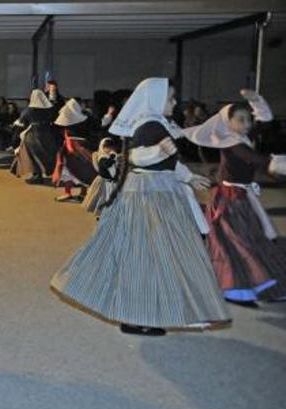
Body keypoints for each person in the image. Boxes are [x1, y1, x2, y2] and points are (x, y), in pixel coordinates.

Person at [51, 77, 230, 336]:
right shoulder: (148, 125)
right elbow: (137, 157)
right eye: (170, 98)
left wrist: (187, 175)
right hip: (148, 196)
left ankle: (141, 313)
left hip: (158, 191)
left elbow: (167, 160)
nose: (174, 102)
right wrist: (159, 152)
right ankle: (138, 315)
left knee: (153, 255)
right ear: (154, 100)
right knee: (146, 255)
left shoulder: (157, 124)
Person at [184, 90, 286, 306]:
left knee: (246, 242)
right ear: (227, 123)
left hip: (240, 197)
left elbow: (264, 122)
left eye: (248, 118)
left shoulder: (241, 137)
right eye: (240, 119)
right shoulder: (232, 144)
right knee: (238, 244)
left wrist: (256, 100)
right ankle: (236, 290)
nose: (247, 123)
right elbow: (259, 160)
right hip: (230, 202)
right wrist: (276, 164)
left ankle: (250, 286)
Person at [52, 99, 96, 202]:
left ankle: (81, 193)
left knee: (83, 169)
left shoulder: (85, 117)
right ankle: (72, 193)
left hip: (79, 147)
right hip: (72, 146)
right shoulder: (84, 117)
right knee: (71, 170)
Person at [11, 89, 57, 184]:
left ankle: (37, 175)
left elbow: (21, 121)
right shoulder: (49, 110)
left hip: (33, 135)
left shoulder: (29, 110)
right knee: (44, 155)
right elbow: (55, 118)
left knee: (32, 156)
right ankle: (42, 173)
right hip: (46, 134)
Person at [82, 137, 121, 216]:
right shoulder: (102, 158)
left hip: (111, 181)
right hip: (103, 182)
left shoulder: (111, 156)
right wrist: (112, 158)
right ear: (102, 147)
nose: (109, 149)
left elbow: (116, 169)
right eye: (107, 147)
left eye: (111, 147)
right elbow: (107, 165)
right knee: (102, 198)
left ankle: (109, 212)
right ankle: (102, 213)